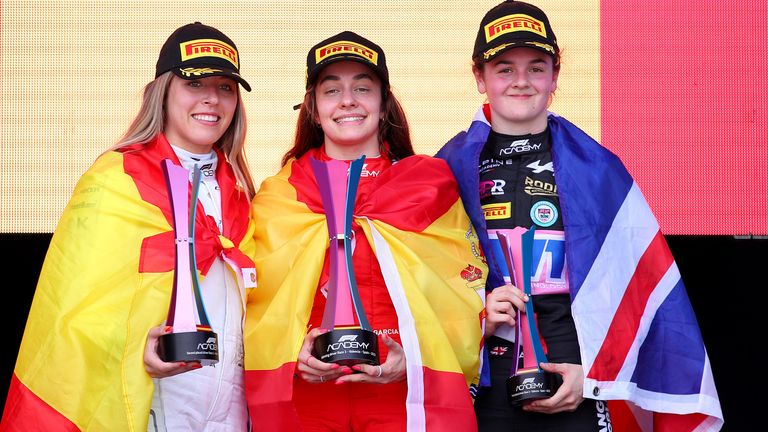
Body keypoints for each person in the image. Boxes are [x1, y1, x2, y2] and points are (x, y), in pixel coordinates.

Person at [436, 1, 724, 431]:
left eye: (536, 67)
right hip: (484, 375)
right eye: (504, 69)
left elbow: (639, 286)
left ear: (554, 75)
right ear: (480, 77)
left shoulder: (599, 166)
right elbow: (423, 283)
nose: (521, 81)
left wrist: (591, 371)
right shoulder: (446, 167)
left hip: (578, 374)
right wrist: (476, 308)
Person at [0, 22, 257, 431]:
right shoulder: (115, 178)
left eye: (226, 87)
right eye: (195, 83)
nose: (212, 98)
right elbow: (76, 314)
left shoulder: (243, 192)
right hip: (151, 404)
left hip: (232, 409)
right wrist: (138, 348)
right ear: (163, 90)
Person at [243, 31, 486, 431]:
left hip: (406, 397)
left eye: (363, 88)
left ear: (384, 103)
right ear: (313, 109)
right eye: (331, 90)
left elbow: (465, 291)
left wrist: (413, 353)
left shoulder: (428, 186)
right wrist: (292, 352)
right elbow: (254, 303)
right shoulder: (279, 196)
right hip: (308, 401)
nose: (348, 100)